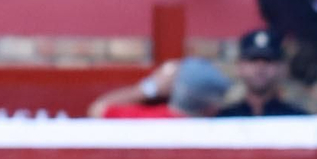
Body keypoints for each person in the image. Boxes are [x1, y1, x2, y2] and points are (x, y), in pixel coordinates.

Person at [87, 54, 231, 116]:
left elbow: (98, 109)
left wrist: (151, 87)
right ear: (212, 108)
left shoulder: (155, 121)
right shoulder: (223, 126)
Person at [213, 26, 308, 115]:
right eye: (253, 60)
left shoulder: (298, 119)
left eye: (268, 60)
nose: (260, 67)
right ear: (239, 66)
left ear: (282, 67)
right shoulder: (224, 120)